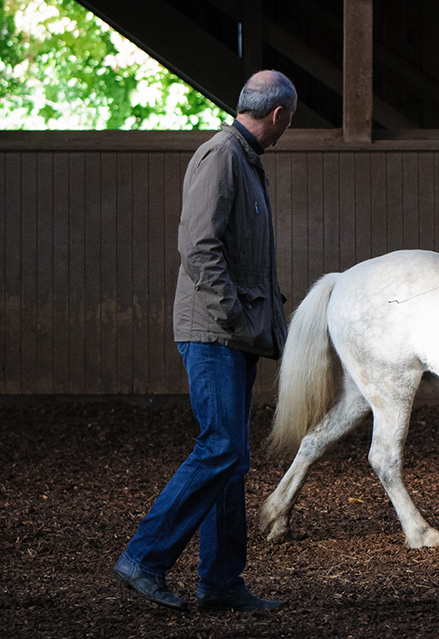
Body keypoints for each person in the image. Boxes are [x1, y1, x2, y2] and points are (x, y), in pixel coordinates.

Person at [114, 70, 297, 613]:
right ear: (279, 115)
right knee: (220, 447)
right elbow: (198, 248)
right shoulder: (222, 156)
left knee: (232, 458)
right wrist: (237, 318)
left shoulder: (243, 159)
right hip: (215, 332)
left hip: (233, 333)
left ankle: (220, 583)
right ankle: (144, 558)